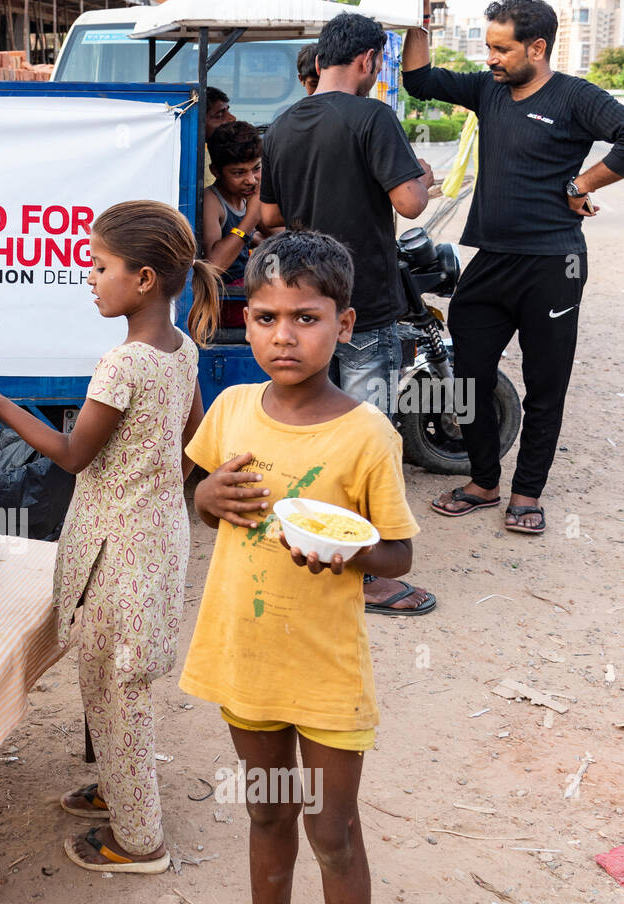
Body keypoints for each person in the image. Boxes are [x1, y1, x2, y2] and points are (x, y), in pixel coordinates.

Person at [0, 201, 221, 874]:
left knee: (119, 690)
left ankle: (139, 840)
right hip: (157, 541)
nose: (88, 277)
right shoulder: (182, 353)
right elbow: (193, 441)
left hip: (117, 555)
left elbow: (70, 454)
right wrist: (154, 484)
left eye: (99, 266)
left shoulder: (123, 365)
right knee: (114, 679)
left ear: (144, 279)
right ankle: (119, 787)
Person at [181, 231, 419, 904]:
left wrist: (351, 550)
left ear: (345, 324)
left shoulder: (365, 437)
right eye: (265, 317)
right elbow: (203, 497)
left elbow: (398, 553)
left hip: (325, 669)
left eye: (306, 318)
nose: (283, 336)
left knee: (332, 831)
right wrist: (205, 493)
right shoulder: (231, 409)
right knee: (268, 807)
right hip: (244, 652)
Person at [406, 0, 624, 535]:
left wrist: (583, 184)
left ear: (537, 48)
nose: (491, 58)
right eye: (488, 47)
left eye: (501, 49)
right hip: (492, 259)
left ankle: (526, 492)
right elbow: (419, 80)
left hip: (553, 263)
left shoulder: (575, 96)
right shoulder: (488, 90)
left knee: (545, 382)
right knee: (467, 373)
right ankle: (484, 481)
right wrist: (415, 17)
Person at [261, 11, 436, 617]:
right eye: (380, 62)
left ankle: (311, 545)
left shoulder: (283, 123)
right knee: (368, 433)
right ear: (366, 60)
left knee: (316, 428)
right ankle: (368, 575)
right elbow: (410, 203)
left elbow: (267, 217)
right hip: (364, 304)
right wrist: (424, 179)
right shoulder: (372, 116)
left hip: (309, 304)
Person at [203, 121, 274, 326]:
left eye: (256, 169)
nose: (251, 180)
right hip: (224, 302)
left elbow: (277, 233)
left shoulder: (246, 197)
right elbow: (213, 267)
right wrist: (251, 218)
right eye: (238, 173)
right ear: (216, 171)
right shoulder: (212, 201)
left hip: (243, 295)